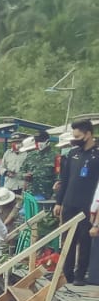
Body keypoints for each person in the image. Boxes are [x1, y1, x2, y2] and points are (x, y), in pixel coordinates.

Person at [55, 119, 99, 286]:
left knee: (85, 239)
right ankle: (67, 274)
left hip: (87, 205)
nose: (76, 139)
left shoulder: (97, 155)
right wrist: (59, 202)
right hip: (69, 202)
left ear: (88, 134)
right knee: (68, 240)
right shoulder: (72, 154)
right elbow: (64, 180)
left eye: (78, 136)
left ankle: (80, 274)